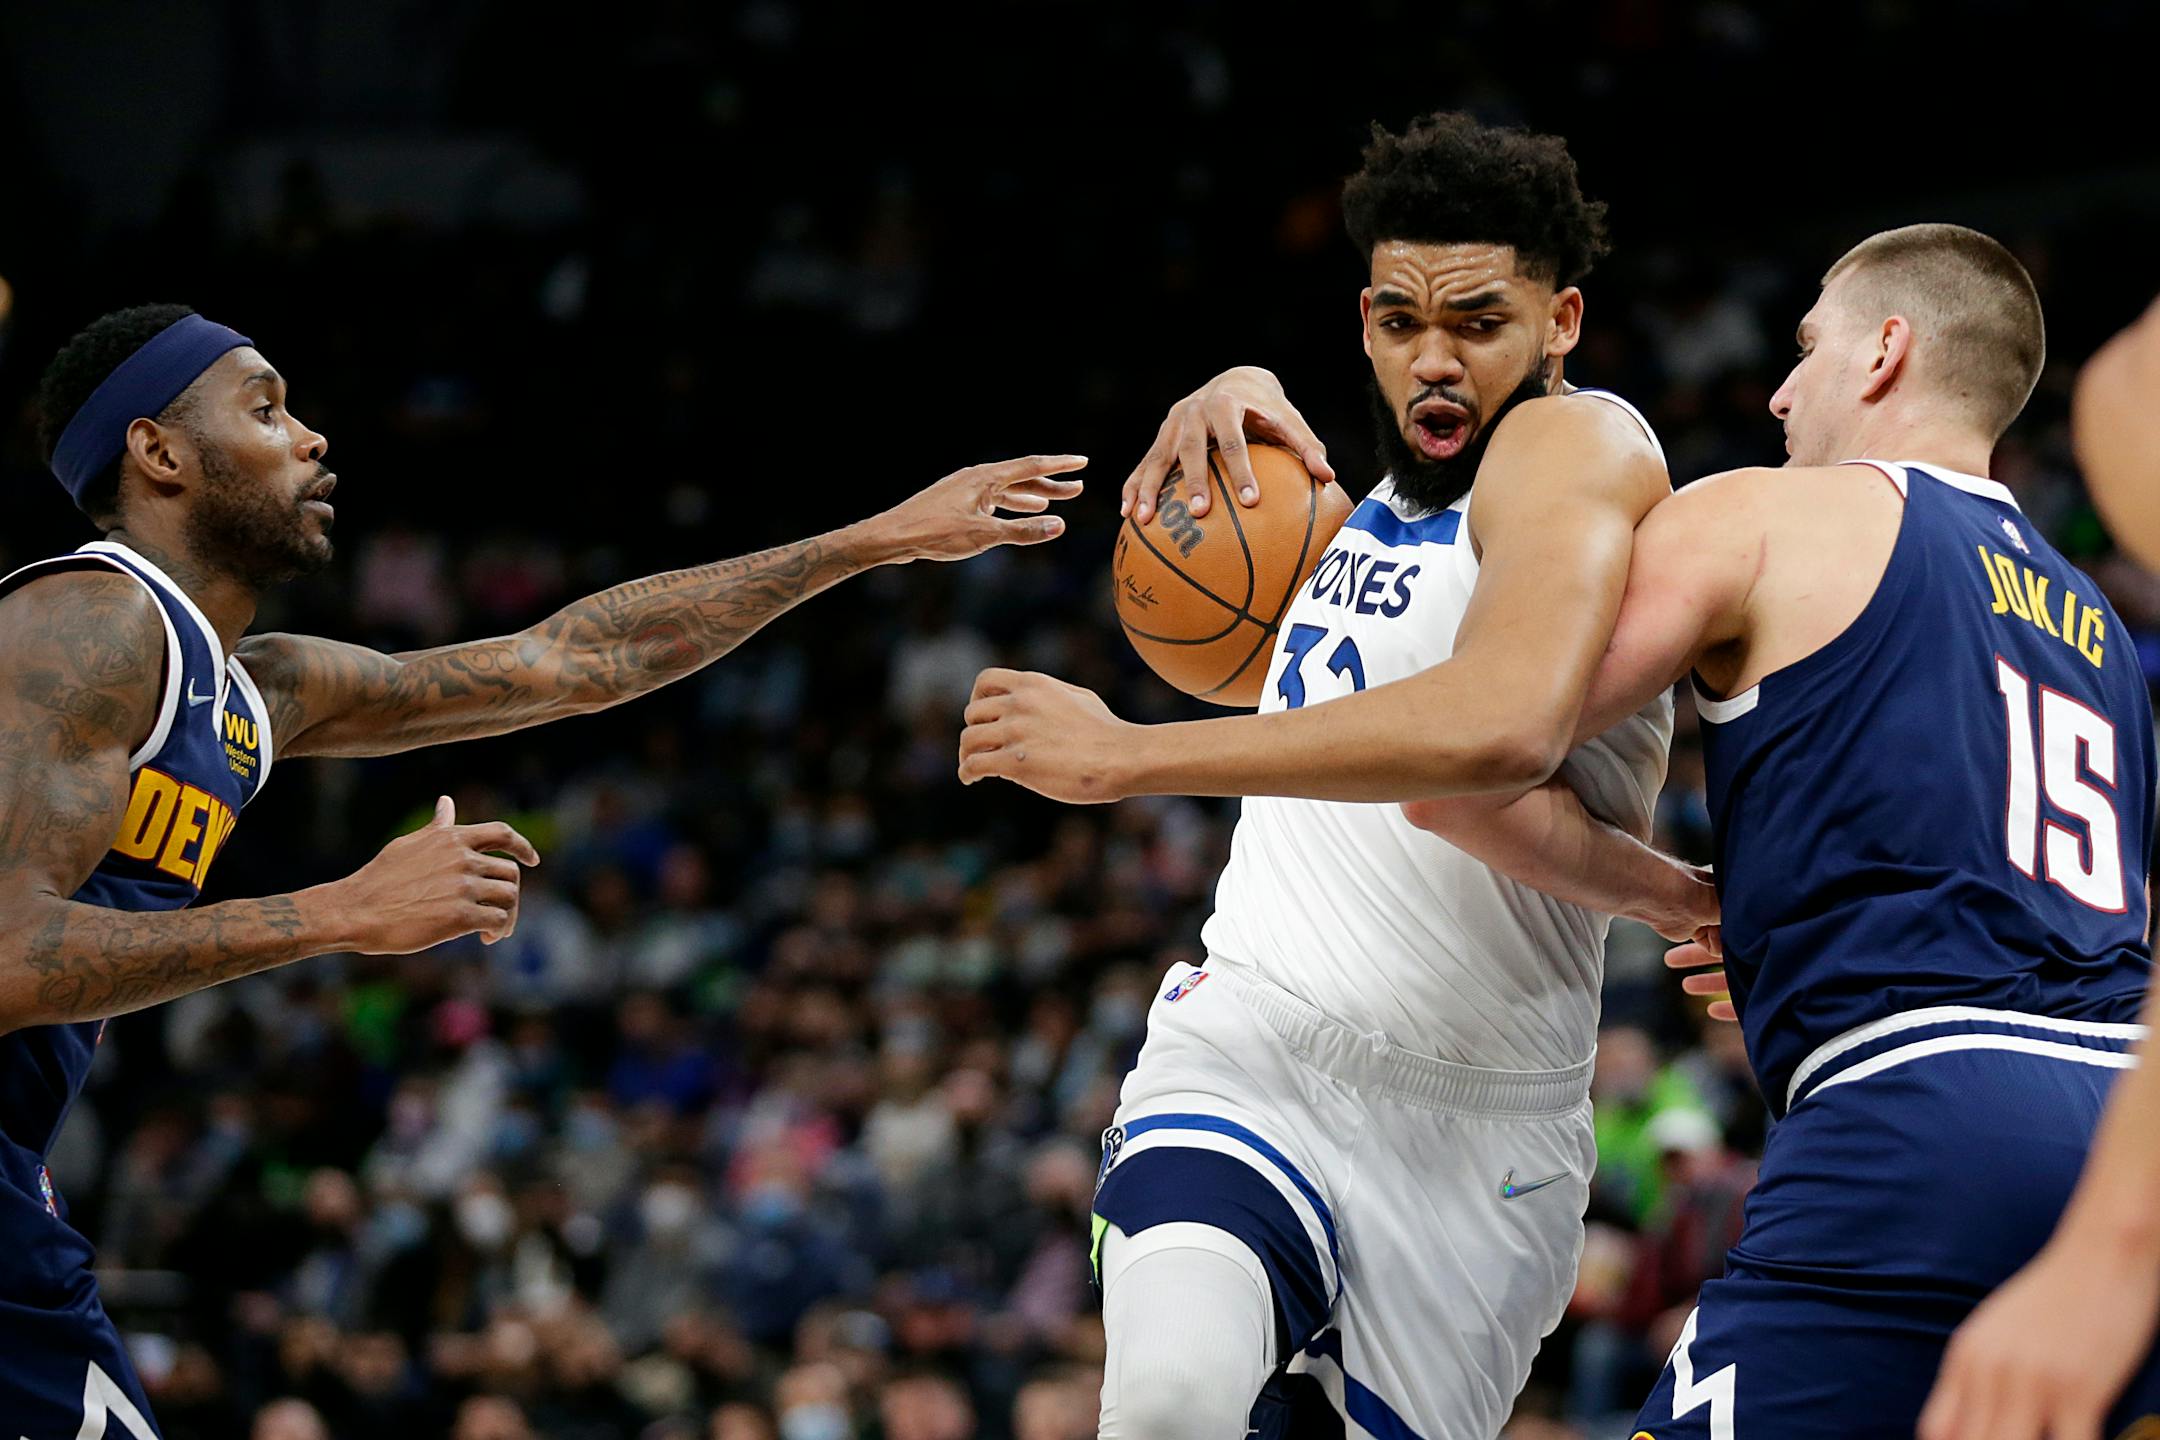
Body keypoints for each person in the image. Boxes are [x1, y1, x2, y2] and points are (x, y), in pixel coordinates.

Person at [963, 222, 2160, 1434]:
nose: (1782, 390)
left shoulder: (1764, 516)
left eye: (1808, 350)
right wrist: (1762, 926)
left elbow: (1474, 752)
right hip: (2121, 1131)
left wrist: (1130, 753)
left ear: (1887, 351)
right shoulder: (2097, 626)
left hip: (1906, 1118)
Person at [0, 302, 1083, 1437]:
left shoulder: (258, 687)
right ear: (158, 452)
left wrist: (870, 541)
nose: (311, 437)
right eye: (265, 409)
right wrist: (337, 913)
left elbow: (571, 660)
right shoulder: (93, 623)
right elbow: (11, 955)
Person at [1003, 113, 1714, 1440]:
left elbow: (1489, 739)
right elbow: (1342, 713)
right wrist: (1232, 381)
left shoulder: (1582, 449)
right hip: (1256, 1038)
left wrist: (1131, 759)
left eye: (1478, 323)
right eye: (1397, 322)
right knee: (1166, 1403)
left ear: (1562, 321)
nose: (1431, 360)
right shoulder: (1370, 500)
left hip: (1477, 1128)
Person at [1915, 296, 2160, 1440]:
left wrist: (2118, 1247)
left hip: (1941, 1074)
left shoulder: (2124, 396)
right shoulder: (2098, 616)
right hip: (2101, 1052)